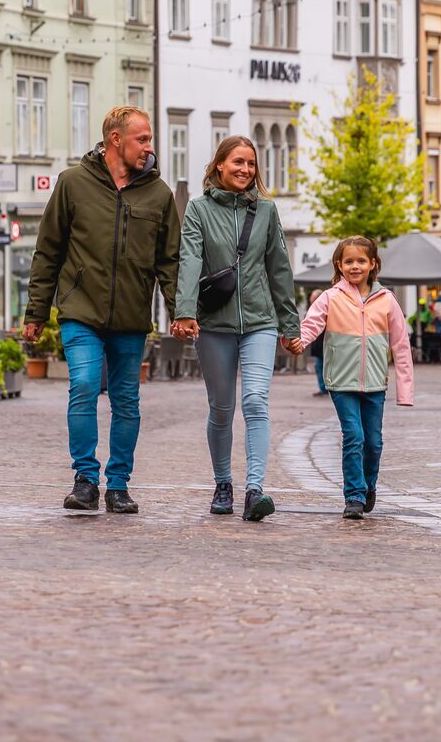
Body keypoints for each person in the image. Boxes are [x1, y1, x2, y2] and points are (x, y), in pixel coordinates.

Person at [26, 106, 179, 515]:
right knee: (84, 385)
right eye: (142, 139)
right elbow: (48, 251)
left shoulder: (159, 194)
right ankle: (85, 480)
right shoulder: (72, 184)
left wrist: (180, 311)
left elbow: (169, 262)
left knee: (126, 400)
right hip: (81, 310)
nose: (149, 147)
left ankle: (119, 485)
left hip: (131, 315)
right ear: (115, 139)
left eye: (149, 139)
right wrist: (36, 313)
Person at [172, 135, 299, 523]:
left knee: (256, 401)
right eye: (238, 162)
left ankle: (254, 489)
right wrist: (185, 310)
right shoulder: (198, 209)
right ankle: (223, 483)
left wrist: (289, 323)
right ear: (220, 165)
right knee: (222, 408)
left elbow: (279, 268)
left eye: (251, 163)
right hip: (214, 323)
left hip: (260, 321)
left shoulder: (266, 211)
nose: (245, 169)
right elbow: (190, 259)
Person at [287, 237, 414, 519]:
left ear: (373, 264)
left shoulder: (387, 300)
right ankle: (354, 495)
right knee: (354, 436)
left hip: (375, 383)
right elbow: (311, 324)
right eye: (348, 261)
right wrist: (299, 342)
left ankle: (369, 485)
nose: (355, 266)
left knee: (374, 442)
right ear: (339, 265)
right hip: (341, 382)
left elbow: (401, 346)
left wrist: (405, 391)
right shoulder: (330, 297)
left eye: (361, 261)